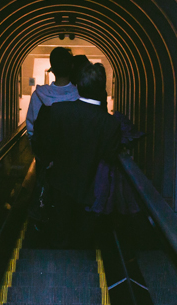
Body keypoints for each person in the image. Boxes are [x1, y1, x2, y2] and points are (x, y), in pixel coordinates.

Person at [35, 63, 122, 246]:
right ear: (102, 88)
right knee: (86, 242)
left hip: (61, 186)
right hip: (92, 193)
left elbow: (46, 148)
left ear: (79, 86)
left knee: (61, 236)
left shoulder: (59, 111)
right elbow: (110, 157)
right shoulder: (110, 123)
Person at [25, 47, 78, 137]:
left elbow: (31, 128)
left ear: (52, 70)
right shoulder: (80, 94)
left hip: (45, 149)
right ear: (72, 67)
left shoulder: (38, 95)